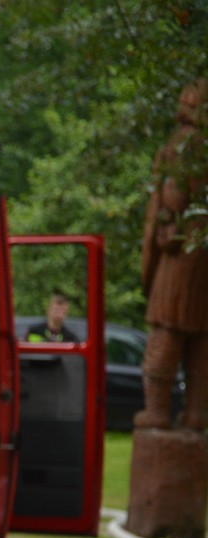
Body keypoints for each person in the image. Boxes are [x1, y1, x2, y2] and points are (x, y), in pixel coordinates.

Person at [134, 78, 208, 431]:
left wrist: (164, 215)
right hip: (201, 251)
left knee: (166, 328)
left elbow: (175, 198)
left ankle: (158, 412)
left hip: (180, 254)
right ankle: (196, 414)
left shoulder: (185, 144)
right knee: (199, 338)